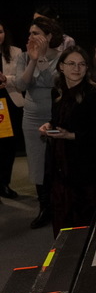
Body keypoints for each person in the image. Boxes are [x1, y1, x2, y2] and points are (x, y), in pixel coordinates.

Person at [40, 46, 96, 236]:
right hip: (61, 168)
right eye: (71, 63)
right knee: (62, 222)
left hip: (86, 170)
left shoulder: (94, 96)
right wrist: (49, 126)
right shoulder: (57, 92)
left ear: (87, 68)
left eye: (81, 64)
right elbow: (58, 120)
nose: (76, 68)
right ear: (61, 66)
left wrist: (71, 136)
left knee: (86, 226)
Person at [12, 16, 64, 228]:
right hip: (31, 116)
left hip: (56, 115)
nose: (31, 37)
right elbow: (21, 85)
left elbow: (54, 81)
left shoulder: (62, 57)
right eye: (30, 33)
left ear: (49, 36)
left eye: (36, 34)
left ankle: (60, 203)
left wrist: (41, 58)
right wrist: (32, 60)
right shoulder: (24, 57)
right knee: (36, 162)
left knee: (58, 159)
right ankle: (45, 207)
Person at [0, 19, 26, 200]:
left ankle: (4, 184)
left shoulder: (16, 52)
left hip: (10, 102)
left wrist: (5, 79)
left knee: (8, 147)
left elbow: (21, 79)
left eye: (0, 32)